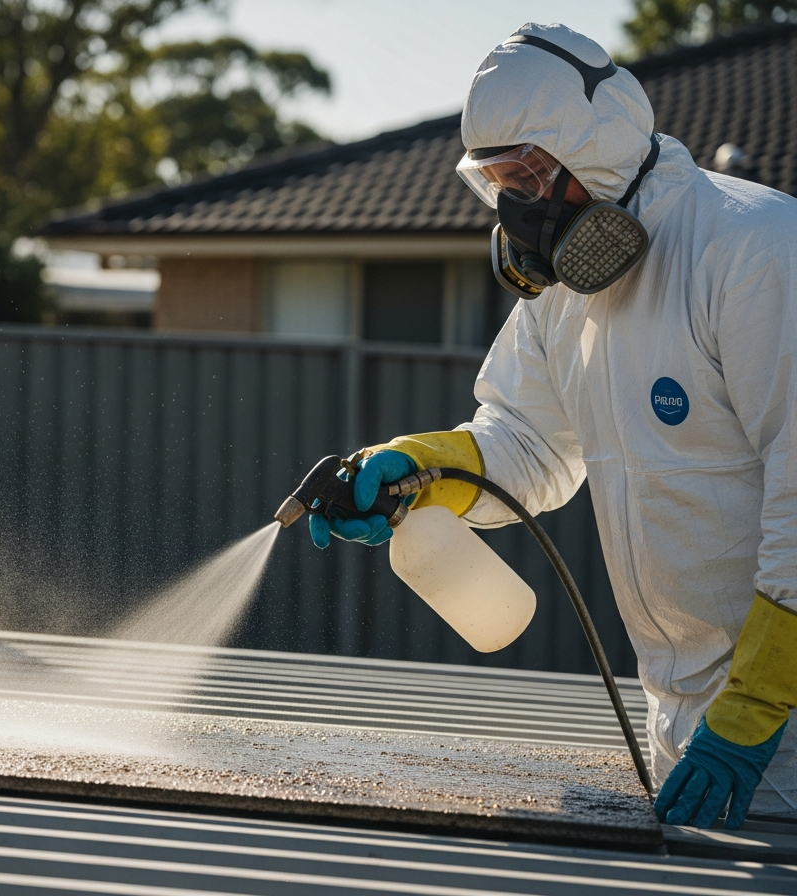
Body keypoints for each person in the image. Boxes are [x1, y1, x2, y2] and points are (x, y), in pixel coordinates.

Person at [309, 23, 797, 829]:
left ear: (597, 148)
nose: (517, 209)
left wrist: (751, 715)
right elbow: (528, 445)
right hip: (685, 729)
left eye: (530, 175)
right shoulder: (567, 298)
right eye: (498, 181)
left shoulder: (752, 249)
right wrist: (418, 470)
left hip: (774, 728)